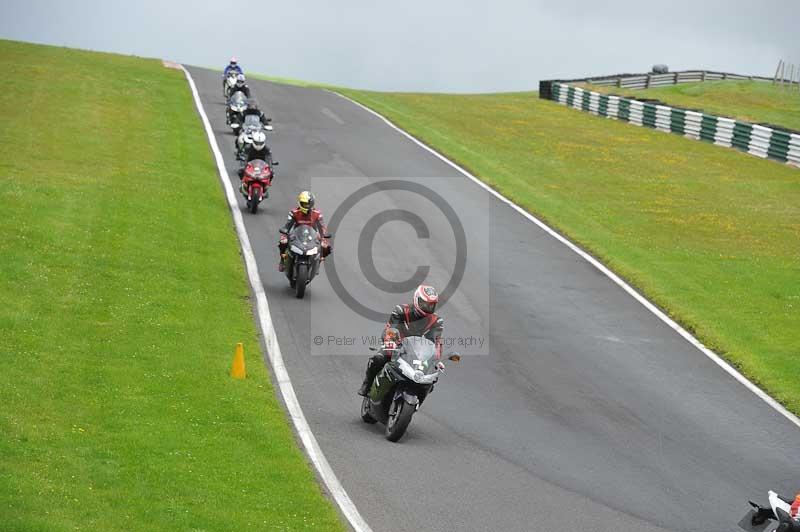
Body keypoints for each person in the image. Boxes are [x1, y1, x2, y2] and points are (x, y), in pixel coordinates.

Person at [358, 285, 443, 396]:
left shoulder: (437, 321)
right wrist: (391, 341)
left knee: (432, 375)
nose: (428, 307)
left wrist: (436, 358)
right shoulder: (401, 310)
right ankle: (367, 384)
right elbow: (391, 328)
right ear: (416, 299)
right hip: (396, 342)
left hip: (417, 350)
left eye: (432, 305)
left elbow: (434, 341)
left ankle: (418, 395)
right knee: (377, 359)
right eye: (425, 303)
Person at [277, 191, 331, 272]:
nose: (307, 206)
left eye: (308, 204)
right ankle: (282, 259)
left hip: (312, 235)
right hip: (296, 233)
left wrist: (324, 235)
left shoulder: (317, 214)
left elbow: (322, 226)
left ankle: (318, 260)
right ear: (300, 203)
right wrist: (284, 231)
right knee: (283, 241)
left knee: (326, 246)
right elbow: (288, 225)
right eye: (305, 204)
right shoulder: (294, 212)